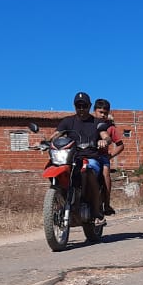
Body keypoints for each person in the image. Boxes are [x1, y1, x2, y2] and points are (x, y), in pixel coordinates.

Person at [55, 92, 108, 220]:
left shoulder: (97, 122)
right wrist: (45, 141)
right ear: (74, 106)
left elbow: (105, 135)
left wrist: (104, 140)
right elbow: (56, 134)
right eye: (78, 106)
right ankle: (59, 202)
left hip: (91, 158)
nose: (81, 109)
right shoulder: (67, 122)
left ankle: (95, 209)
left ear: (89, 106)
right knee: (55, 168)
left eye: (84, 105)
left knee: (88, 170)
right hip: (71, 158)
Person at [93, 98, 125, 215]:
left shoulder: (110, 128)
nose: (103, 115)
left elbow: (120, 145)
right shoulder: (88, 123)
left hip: (101, 157)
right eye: (100, 112)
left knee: (105, 172)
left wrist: (110, 155)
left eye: (105, 113)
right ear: (94, 111)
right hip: (85, 155)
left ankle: (106, 203)